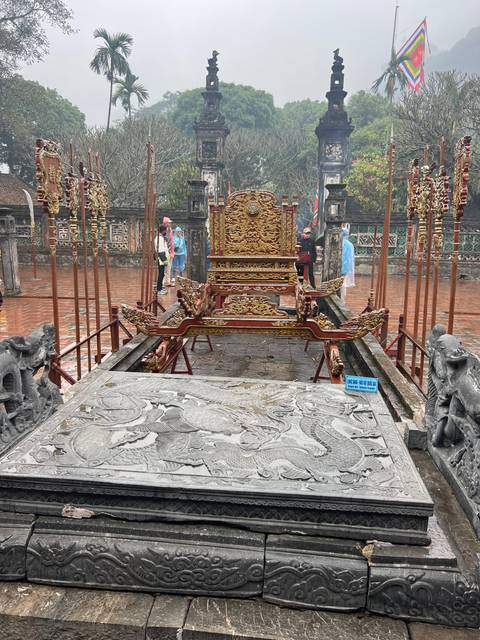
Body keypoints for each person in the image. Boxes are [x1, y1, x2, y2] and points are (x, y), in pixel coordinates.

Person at [340, 225, 355, 302]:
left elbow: (346, 258)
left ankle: (341, 301)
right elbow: (350, 260)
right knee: (343, 286)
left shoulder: (342, 244)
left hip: (341, 269)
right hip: (345, 269)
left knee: (340, 286)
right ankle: (342, 301)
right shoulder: (350, 244)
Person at [155, 224, 169, 295]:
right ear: (163, 231)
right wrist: (164, 260)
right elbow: (160, 251)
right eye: (165, 230)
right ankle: (159, 289)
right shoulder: (159, 239)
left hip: (161, 258)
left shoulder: (161, 238)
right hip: (161, 259)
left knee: (162, 274)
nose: (166, 231)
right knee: (161, 274)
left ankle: (159, 288)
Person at [162, 216, 175, 286]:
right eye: (169, 223)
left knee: (169, 267)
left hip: (171, 251)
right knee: (166, 267)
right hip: (167, 251)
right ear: (166, 223)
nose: (170, 224)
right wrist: (169, 251)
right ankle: (164, 281)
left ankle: (167, 281)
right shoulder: (165, 231)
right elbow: (167, 242)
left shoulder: (170, 230)